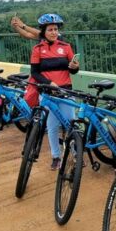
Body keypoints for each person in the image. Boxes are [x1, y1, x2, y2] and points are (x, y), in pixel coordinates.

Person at [26, 14, 79, 171]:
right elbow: (35, 73)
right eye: (50, 29)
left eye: (56, 29)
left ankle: (76, 153)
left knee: (71, 123)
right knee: (52, 126)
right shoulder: (37, 49)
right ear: (43, 31)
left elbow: (72, 69)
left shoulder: (66, 46)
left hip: (65, 91)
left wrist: (75, 67)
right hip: (48, 93)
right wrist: (49, 83)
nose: (54, 32)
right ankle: (56, 156)